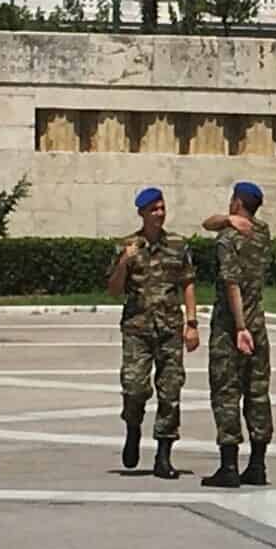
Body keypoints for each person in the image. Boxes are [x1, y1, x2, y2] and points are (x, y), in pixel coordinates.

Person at [106, 187, 199, 479]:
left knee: (170, 392)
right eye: (153, 209)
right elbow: (113, 290)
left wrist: (192, 323)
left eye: (162, 208)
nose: (159, 213)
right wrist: (124, 261)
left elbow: (187, 283)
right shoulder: (126, 245)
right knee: (134, 388)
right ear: (142, 213)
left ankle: (163, 456)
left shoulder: (178, 245)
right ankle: (133, 427)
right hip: (137, 329)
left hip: (170, 328)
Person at [199, 182, 273, 488]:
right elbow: (209, 222)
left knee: (226, 394)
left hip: (233, 328)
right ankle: (257, 465)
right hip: (260, 325)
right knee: (257, 394)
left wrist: (239, 327)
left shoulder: (228, 239)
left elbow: (231, 284)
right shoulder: (263, 233)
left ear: (237, 202)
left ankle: (228, 466)